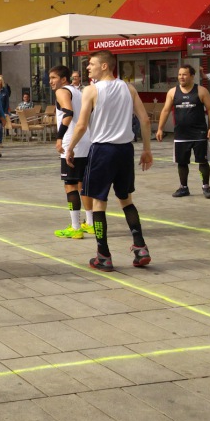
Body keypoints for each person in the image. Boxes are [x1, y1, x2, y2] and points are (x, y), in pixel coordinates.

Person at [64, 50, 154, 272]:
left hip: (102, 150)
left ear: (105, 66)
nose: (88, 68)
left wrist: (70, 147)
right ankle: (140, 247)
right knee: (126, 199)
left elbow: (82, 125)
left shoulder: (91, 90)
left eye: (91, 64)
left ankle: (103, 255)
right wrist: (147, 150)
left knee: (98, 203)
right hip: (125, 150)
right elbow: (144, 119)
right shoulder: (129, 88)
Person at [155, 65, 210, 199]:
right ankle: (184, 187)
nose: (181, 77)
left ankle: (206, 186)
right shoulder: (172, 92)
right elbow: (165, 110)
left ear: (192, 76)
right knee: (182, 162)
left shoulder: (201, 91)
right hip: (181, 134)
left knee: (202, 161)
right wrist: (160, 128)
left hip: (199, 133)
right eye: (179, 75)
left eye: (184, 74)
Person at [50, 66, 93, 239]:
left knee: (70, 185)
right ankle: (89, 223)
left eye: (54, 77)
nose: (51, 81)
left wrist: (59, 137)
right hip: (85, 140)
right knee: (83, 184)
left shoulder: (62, 91)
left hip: (72, 142)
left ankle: (75, 227)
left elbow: (68, 112)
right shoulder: (78, 92)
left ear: (63, 79)